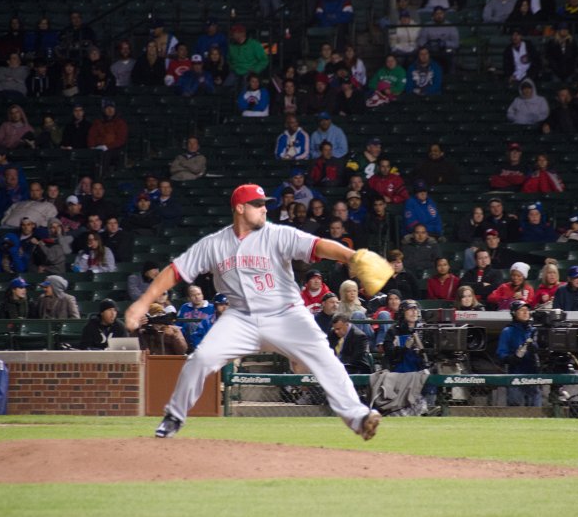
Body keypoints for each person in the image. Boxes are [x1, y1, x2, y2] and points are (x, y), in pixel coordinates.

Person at [124, 183, 384, 439]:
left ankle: (358, 417)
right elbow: (175, 271)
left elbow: (318, 246)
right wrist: (143, 303)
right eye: (257, 204)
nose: (264, 209)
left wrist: (352, 257)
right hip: (240, 317)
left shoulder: (278, 234)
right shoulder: (214, 244)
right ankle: (174, 417)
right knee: (200, 360)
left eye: (265, 204)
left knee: (325, 359)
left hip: (286, 314)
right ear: (239, 208)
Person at [497, 300, 541, 407]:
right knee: (515, 409)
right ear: (514, 313)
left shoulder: (535, 330)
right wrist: (514, 357)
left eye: (527, 310)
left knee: (536, 409)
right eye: (521, 310)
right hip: (515, 377)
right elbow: (501, 354)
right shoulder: (508, 331)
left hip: (534, 376)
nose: (526, 312)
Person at [87, 98, 128, 180]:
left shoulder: (120, 123)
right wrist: (92, 147)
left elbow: (121, 140)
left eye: (112, 108)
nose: (110, 110)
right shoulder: (98, 122)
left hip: (114, 149)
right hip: (98, 148)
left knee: (106, 155)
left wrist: (107, 147)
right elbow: (91, 136)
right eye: (107, 108)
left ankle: (102, 178)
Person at [381, 300, 425, 373]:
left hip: (421, 372)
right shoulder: (393, 330)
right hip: (399, 373)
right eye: (410, 309)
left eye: (416, 309)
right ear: (402, 313)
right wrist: (403, 348)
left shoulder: (425, 329)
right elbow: (389, 355)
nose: (414, 312)